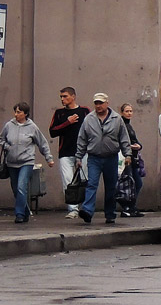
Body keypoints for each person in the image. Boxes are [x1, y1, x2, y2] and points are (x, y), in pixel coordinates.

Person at [75, 93, 132, 225]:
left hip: (111, 158)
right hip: (94, 157)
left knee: (111, 187)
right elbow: (82, 139)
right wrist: (78, 157)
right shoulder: (89, 119)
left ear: (107, 103)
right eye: (96, 103)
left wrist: (127, 154)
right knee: (92, 184)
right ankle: (87, 211)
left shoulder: (117, 119)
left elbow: (124, 138)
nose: (98, 106)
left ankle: (110, 214)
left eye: (101, 103)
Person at [1, 103, 55, 223]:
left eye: (19, 112)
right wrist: (7, 146)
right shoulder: (9, 125)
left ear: (25, 113)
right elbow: (2, 139)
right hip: (11, 162)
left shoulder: (32, 127)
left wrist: (49, 158)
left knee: (21, 187)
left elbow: (42, 143)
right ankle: (25, 211)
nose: (16, 114)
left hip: (26, 161)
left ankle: (19, 214)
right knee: (16, 189)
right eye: (15, 112)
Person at [49, 86, 89, 218]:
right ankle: (73, 209)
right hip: (65, 152)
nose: (62, 99)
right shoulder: (59, 113)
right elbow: (53, 132)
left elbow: (91, 128)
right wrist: (67, 122)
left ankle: (85, 207)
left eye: (65, 96)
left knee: (84, 179)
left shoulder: (84, 111)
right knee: (67, 180)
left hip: (83, 151)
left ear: (73, 96)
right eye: (61, 97)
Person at [118, 103, 144, 217]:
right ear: (122, 112)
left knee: (136, 183)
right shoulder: (122, 125)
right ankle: (127, 207)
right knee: (129, 183)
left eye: (131, 111)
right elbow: (122, 141)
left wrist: (138, 146)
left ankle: (131, 206)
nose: (129, 113)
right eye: (127, 111)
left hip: (133, 158)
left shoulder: (129, 126)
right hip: (126, 158)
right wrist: (131, 146)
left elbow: (136, 141)